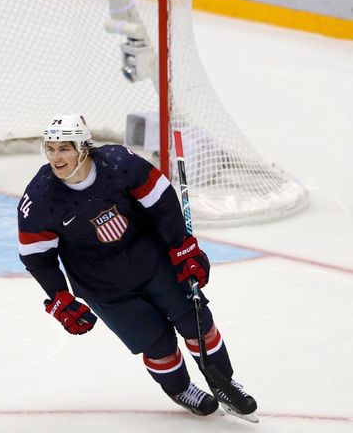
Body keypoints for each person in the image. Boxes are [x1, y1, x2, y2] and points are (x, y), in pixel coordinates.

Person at [17, 114, 258, 421]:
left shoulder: (119, 163)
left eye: (63, 148)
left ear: (83, 148)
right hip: (103, 285)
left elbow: (162, 203)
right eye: (50, 149)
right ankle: (180, 388)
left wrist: (182, 246)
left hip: (152, 260)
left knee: (194, 319)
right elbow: (37, 256)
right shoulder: (40, 198)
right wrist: (60, 296)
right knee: (156, 343)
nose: (55, 157)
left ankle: (224, 382)